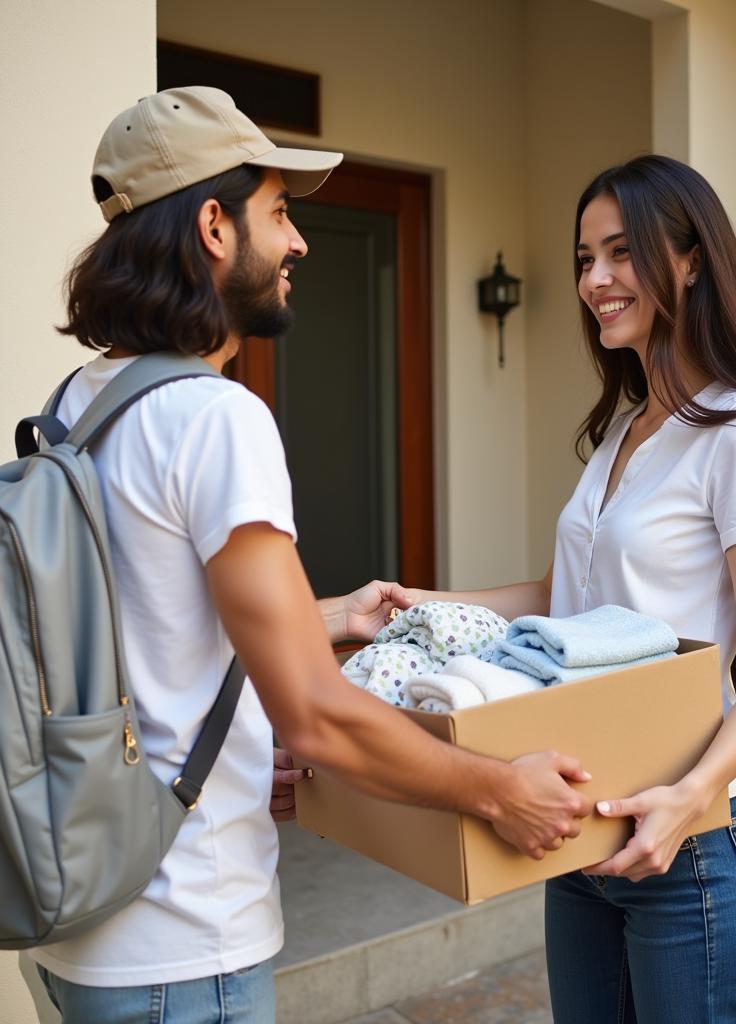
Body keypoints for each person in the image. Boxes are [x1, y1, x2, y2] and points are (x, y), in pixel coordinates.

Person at [25, 86, 591, 1024]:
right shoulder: (214, 417)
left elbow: (136, 624)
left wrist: (328, 618)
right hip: (182, 946)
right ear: (214, 225)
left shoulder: (80, 403)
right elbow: (320, 720)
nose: (297, 243)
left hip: (81, 924)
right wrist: (500, 790)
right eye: (279, 213)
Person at [389, 155, 736, 1022]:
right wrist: (429, 603)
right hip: (590, 836)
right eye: (584, 258)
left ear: (693, 259)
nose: (595, 280)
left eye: (620, 252)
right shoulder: (623, 432)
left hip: (694, 847)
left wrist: (688, 798)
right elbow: (567, 605)